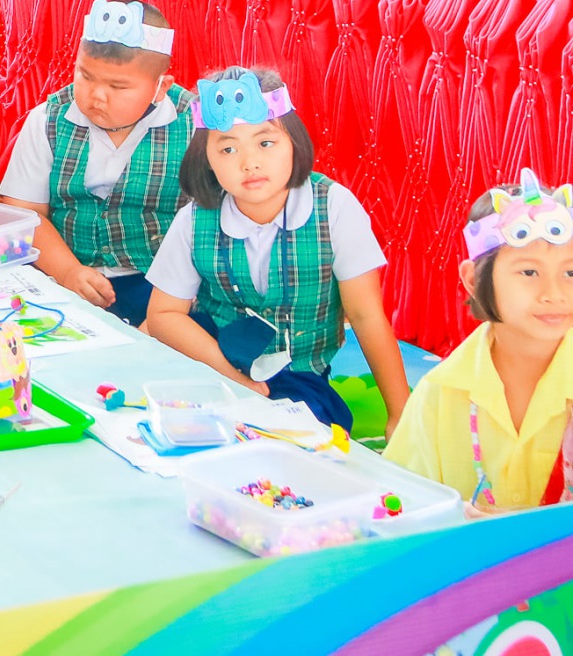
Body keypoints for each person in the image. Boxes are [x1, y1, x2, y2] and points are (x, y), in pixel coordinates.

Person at [144, 67, 410, 434]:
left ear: (294, 143)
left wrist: (401, 414)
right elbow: (163, 314)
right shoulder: (194, 220)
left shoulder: (334, 207)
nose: (249, 162)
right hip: (208, 364)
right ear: (206, 159)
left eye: (265, 143)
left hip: (299, 377)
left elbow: (366, 315)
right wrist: (229, 375)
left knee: (303, 445)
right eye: (228, 148)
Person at [388, 172, 573, 512]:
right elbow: (399, 506)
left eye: (570, 273)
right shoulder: (439, 394)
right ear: (473, 280)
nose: (554, 294)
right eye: (529, 272)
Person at [0, 0, 190, 326]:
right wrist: (68, 271)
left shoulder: (193, 127)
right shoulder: (48, 119)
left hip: (161, 284)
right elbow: (24, 213)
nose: (97, 95)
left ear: (161, 87)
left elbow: (206, 223)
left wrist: (169, 312)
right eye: (86, 77)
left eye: (118, 86)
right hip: (63, 268)